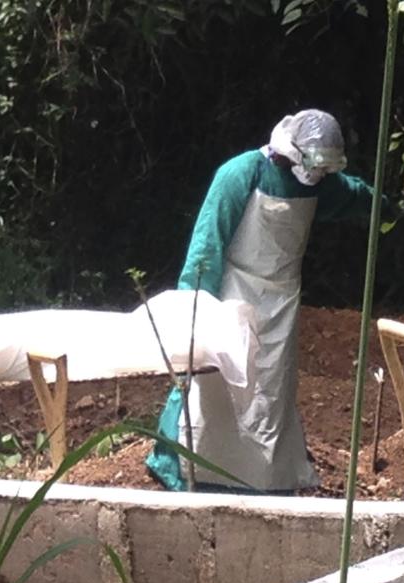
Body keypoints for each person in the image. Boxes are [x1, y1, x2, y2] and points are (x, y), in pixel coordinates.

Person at [146, 109, 376, 492]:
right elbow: (207, 245)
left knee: (271, 393)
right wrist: (195, 306)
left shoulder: (316, 186)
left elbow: (355, 196)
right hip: (233, 293)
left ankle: (264, 479)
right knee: (214, 384)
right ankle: (189, 469)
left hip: (282, 300)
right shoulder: (242, 173)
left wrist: (394, 205)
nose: (318, 175)